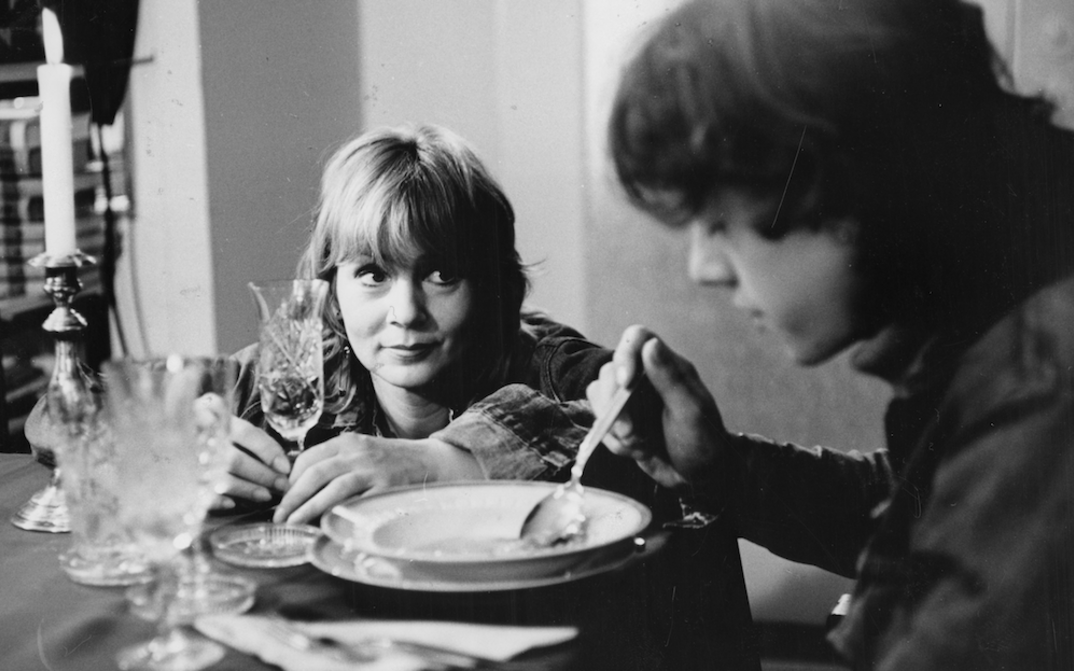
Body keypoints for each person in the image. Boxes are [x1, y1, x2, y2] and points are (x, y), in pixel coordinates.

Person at [589, 0, 1074, 669]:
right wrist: (721, 467)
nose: (702, 268)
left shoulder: (1048, 382)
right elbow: (938, 503)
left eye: (719, 220)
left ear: (856, 174)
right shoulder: (1006, 322)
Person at [220, 123, 608, 524]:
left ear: (492, 286)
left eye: (441, 274)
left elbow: (650, 421)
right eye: (374, 274)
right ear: (332, 291)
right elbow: (166, 402)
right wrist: (171, 449)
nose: (405, 312)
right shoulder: (291, 371)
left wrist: (443, 462)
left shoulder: (552, 367)